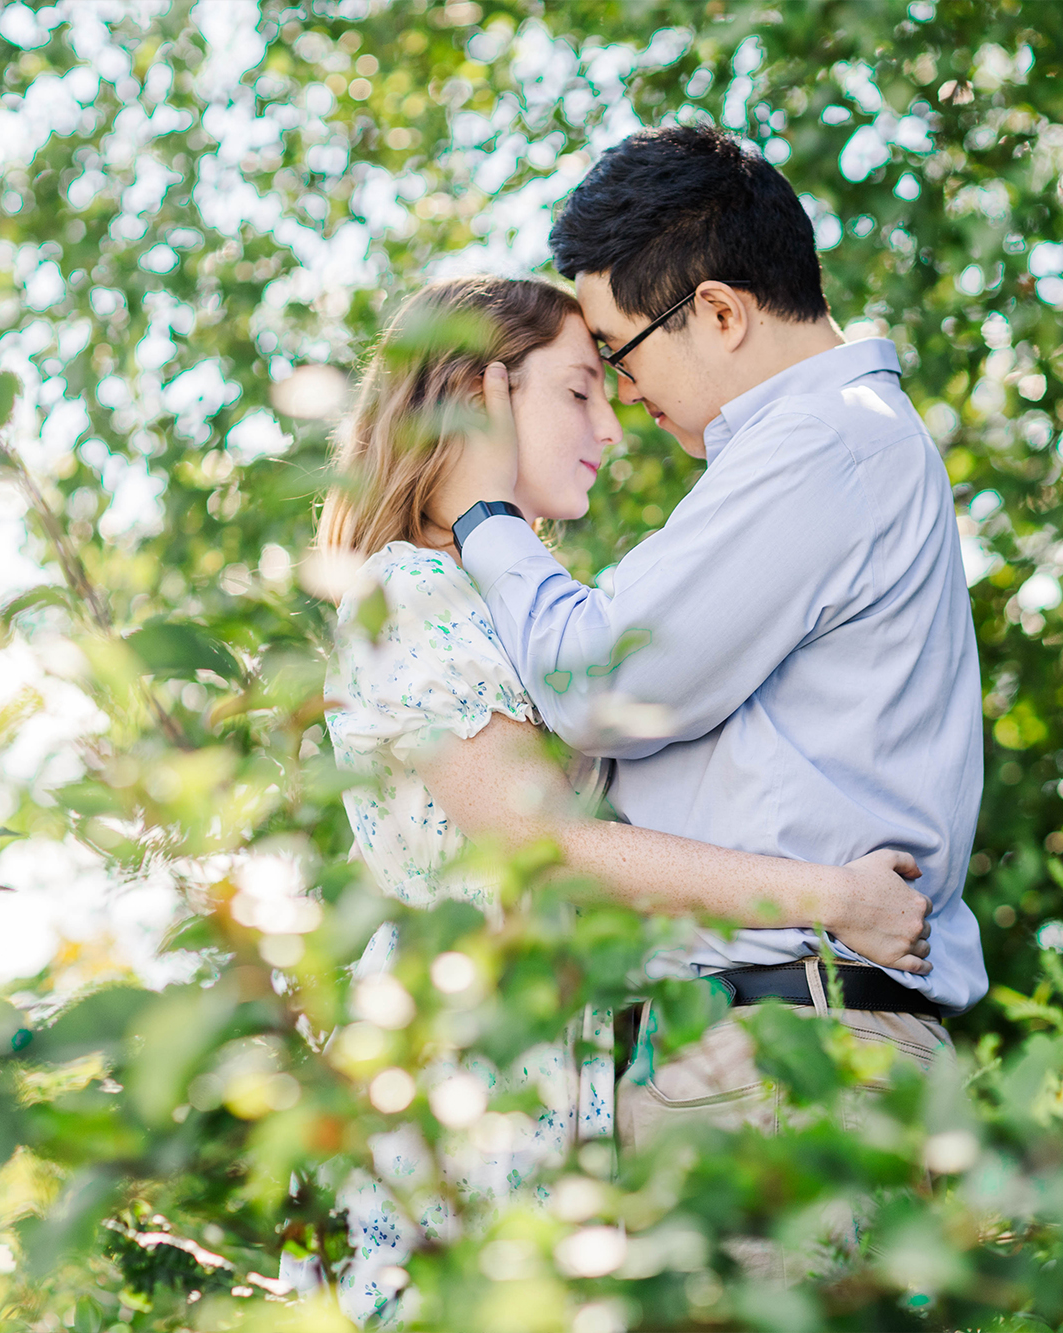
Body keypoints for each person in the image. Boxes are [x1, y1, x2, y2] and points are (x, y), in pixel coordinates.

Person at [314, 274, 935, 1321]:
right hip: (462, 1107)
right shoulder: (409, 593)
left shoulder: (488, 602)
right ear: (479, 394)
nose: (612, 425)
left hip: (540, 1103)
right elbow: (538, 844)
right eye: (577, 392)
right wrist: (829, 894)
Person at [429, 125, 988, 1154]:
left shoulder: (822, 444)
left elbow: (601, 681)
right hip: (771, 1050)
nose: (625, 404)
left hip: (781, 1061)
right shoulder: (818, 450)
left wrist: (482, 516)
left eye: (620, 359)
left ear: (719, 311)